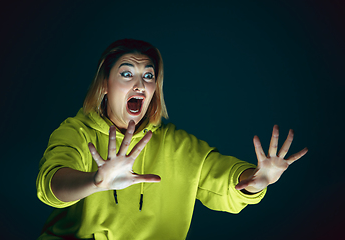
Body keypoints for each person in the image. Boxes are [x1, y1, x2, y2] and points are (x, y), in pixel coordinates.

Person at [36, 39, 308, 239]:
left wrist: (256, 181)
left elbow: (225, 180)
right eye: (127, 73)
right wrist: (95, 181)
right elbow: (52, 185)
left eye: (148, 76)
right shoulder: (76, 131)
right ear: (104, 85)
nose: (140, 85)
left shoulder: (177, 145)